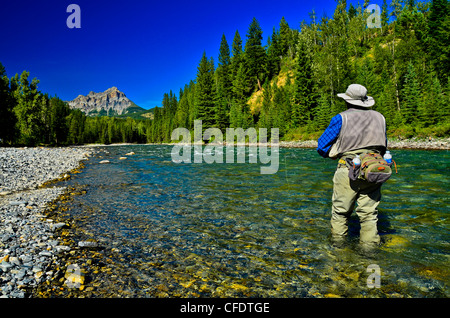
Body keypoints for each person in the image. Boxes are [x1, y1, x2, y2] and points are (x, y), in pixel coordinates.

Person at [317, 84, 387, 248]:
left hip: (348, 169)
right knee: (369, 215)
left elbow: (322, 146)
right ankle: (369, 255)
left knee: (341, 213)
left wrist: (331, 154)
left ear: (347, 101)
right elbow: (383, 146)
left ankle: (339, 254)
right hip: (373, 169)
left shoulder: (341, 118)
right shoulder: (381, 118)